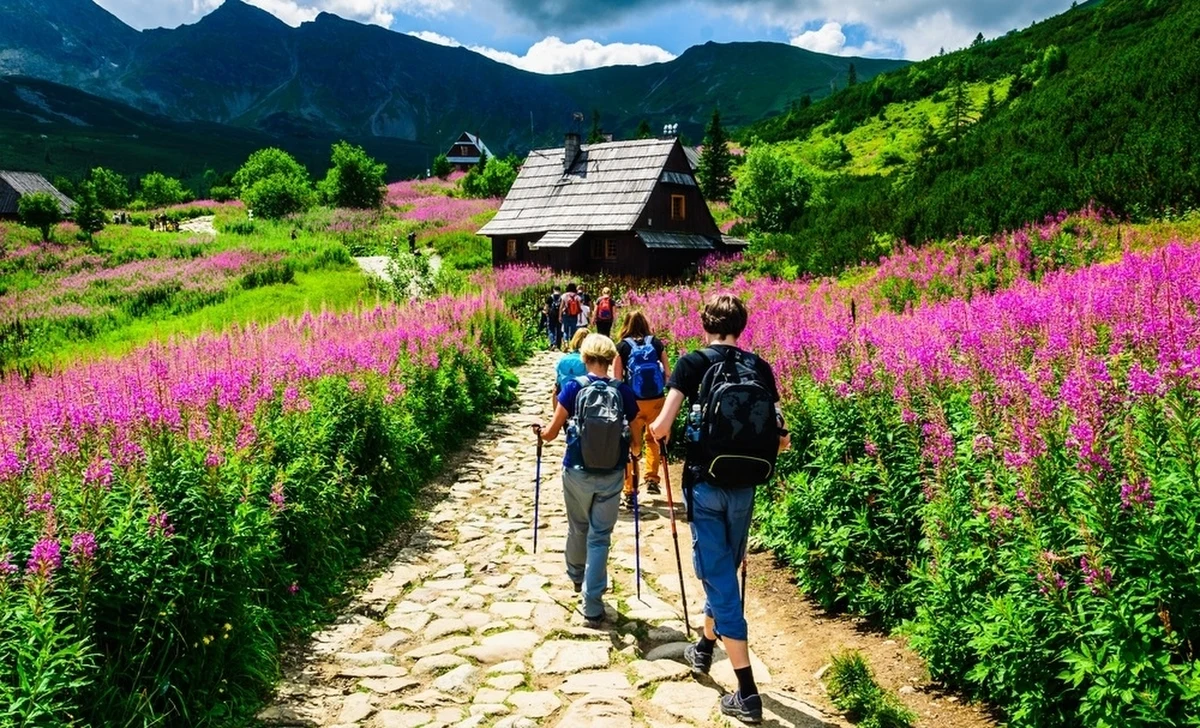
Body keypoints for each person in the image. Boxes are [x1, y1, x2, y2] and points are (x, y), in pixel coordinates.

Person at [649, 294, 790, 725]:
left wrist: (655, 436)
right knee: (724, 567)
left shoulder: (691, 364)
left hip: (706, 483)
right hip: (746, 485)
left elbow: (662, 427)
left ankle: (746, 693)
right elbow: (782, 437)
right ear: (741, 326)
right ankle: (705, 647)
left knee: (718, 578)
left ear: (705, 323)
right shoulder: (760, 367)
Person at [534, 334, 638, 626]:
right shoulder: (624, 391)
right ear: (610, 359)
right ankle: (593, 604)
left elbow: (552, 433)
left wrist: (540, 434)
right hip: (613, 473)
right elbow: (635, 429)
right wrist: (637, 452)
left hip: (577, 470)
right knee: (600, 537)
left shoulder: (572, 389)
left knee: (578, 527)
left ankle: (576, 576)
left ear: (585, 358)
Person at [612, 310, 668, 509]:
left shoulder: (623, 347)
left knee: (631, 447)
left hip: (633, 402)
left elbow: (617, 379)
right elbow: (668, 374)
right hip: (656, 400)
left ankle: (630, 490)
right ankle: (652, 478)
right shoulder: (656, 343)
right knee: (654, 439)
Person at [554, 327, 590, 409]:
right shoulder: (588, 361)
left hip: (564, 398)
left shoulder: (564, 359)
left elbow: (557, 383)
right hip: (583, 399)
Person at [546, 285, 563, 350]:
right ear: (560, 290)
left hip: (551, 315)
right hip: (559, 315)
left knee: (551, 329)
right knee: (559, 330)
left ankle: (552, 343)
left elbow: (547, 306)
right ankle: (558, 345)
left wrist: (547, 313)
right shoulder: (561, 297)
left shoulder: (550, 297)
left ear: (553, 290)